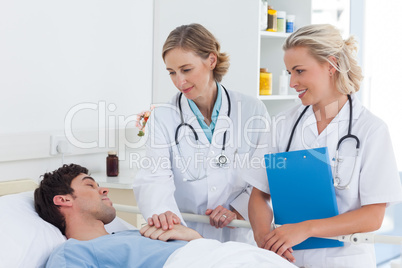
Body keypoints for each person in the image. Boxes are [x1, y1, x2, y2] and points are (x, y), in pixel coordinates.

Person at [246, 24, 402, 267]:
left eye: (299, 71)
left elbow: (373, 216)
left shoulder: (370, 129)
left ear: (330, 65)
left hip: (345, 261)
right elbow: (259, 195)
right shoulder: (282, 125)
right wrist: (266, 239)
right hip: (288, 260)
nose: (292, 82)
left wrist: (306, 229)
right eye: (289, 73)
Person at [133, 23, 270, 244]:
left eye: (186, 70)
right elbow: (154, 177)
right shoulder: (163, 117)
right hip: (184, 233)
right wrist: (165, 214)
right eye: (171, 73)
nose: (179, 81)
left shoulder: (252, 110)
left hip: (237, 232)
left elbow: (263, 176)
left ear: (211, 60)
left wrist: (238, 210)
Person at [34, 164, 297, 268]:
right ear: (63, 200)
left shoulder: (131, 232)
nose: (103, 189)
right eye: (90, 185)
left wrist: (191, 237)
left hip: (220, 254)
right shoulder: (71, 254)